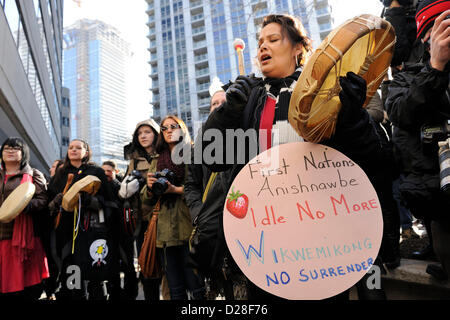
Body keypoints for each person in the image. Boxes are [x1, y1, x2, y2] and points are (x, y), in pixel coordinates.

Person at [199, 14, 388, 299]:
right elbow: (212, 158)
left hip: (323, 234)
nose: (263, 47)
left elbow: (372, 158)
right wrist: (226, 112)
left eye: (273, 40)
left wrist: (353, 115)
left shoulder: (327, 92)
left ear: (298, 47)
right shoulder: (248, 96)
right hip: (264, 240)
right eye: (260, 42)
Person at [386, 1, 450, 280]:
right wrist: (436, 66)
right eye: (441, 27)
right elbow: (401, 112)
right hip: (437, 191)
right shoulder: (406, 77)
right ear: (426, 37)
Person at [141, 115, 205, 300]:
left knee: (197, 288)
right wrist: (151, 188)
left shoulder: (193, 153)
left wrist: (174, 189)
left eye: (173, 126)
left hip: (189, 229)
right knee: (175, 289)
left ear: (182, 129)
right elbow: (146, 198)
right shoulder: (156, 159)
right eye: (164, 128)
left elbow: (201, 188)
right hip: (164, 234)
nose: (168, 130)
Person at [47, 139, 121, 299]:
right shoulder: (60, 174)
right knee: (70, 270)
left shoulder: (96, 171)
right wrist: (55, 202)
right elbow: (48, 205)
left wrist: (90, 201)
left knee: (95, 272)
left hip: (91, 231)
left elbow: (110, 202)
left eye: (78, 147)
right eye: (71, 147)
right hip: (66, 232)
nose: (73, 150)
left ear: (86, 152)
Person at [185, 81, 238, 300]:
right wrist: (199, 213)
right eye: (213, 103)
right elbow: (191, 184)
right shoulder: (199, 144)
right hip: (212, 226)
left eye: (222, 102)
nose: (217, 106)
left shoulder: (249, 131)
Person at [0, 137, 49, 300]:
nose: (10, 151)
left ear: (23, 153)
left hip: (23, 238)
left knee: (25, 289)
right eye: (7, 148)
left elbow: (43, 201)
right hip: (1, 235)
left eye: (15, 148)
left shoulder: (34, 174)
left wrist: (22, 206)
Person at [119, 119, 161, 300]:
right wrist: (128, 186)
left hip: (165, 218)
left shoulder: (166, 154)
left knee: (169, 268)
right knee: (147, 267)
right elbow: (125, 190)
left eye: (147, 132)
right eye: (139, 133)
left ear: (156, 134)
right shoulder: (134, 161)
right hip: (142, 222)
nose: (143, 136)